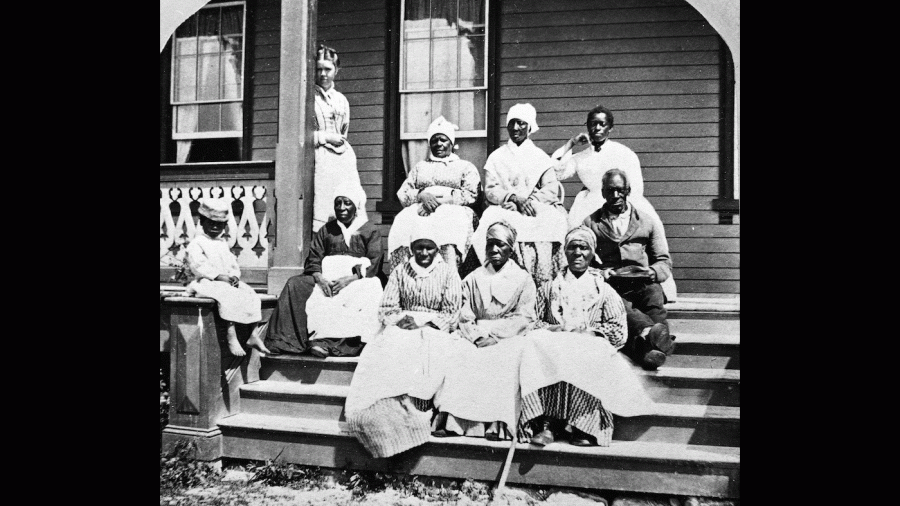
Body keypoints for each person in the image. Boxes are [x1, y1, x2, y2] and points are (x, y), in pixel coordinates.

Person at [518, 226, 654, 447]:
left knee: (587, 350)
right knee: (540, 345)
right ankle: (549, 424)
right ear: (564, 251)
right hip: (555, 348)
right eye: (572, 247)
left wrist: (591, 331)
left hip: (587, 349)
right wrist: (553, 329)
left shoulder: (603, 291)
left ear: (592, 253)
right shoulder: (549, 288)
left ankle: (583, 425)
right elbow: (531, 322)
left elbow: (618, 331)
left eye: (584, 248)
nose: (578, 253)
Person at [345, 220, 468, 458]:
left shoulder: (448, 272)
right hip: (403, 325)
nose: (424, 253)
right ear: (411, 248)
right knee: (388, 344)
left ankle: (418, 410)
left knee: (428, 347)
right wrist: (400, 320)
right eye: (419, 247)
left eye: (429, 248)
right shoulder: (401, 271)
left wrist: (425, 323)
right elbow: (387, 307)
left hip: (434, 329)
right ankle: (389, 414)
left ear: (437, 249)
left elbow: (452, 312)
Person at [431, 220, 538, 440]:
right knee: (459, 355)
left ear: (511, 248)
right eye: (490, 244)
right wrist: (477, 336)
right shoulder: (472, 278)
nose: (495, 250)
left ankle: (495, 425)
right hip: (475, 335)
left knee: (505, 359)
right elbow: (464, 312)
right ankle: (453, 421)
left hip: (507, 336)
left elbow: (525, 315)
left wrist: (495, 335)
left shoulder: (523, 279)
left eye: (501, 244)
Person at [263, 182, 384, 357]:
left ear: (356, 205)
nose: (341, 208)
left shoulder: (369, 230)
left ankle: (329, 344)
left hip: (356, 279)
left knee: (367, 289)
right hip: (326, 278)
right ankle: (285, 340)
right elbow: (314, 257)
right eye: (338, 203)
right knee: (295, 284)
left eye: (347, 203)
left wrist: (348, 280)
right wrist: (320, 278)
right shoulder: (327, 229)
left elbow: (375, 261)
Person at [473, 103, 568, 320]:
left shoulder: (539, 156)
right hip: (505, 207)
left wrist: (530, 201)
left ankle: (544, 285)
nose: (516, 128)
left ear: (530, 127)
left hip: (533, 208)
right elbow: (491, 189)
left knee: (554, 220)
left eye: (521, 123)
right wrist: (512, 198)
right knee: (492, 220)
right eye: (512, 123)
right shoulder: (497, 156)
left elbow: (551, 187)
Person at [583, 169, 675, 370]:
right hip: (611, 284)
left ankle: (651, 344)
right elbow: (583, 262)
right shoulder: (591, 223)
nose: (615, 196)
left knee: (654, 293)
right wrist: (600, 273)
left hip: (642, 282)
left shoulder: (647, 221)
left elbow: (663, 261)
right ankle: (652, 338)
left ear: (628, 191)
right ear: (603, 193)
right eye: (610, 191)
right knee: (615, 302)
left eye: (619, 190)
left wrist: (652, 272)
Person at [387, 116, 482, 274]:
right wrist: (421, 195)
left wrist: (441, 201)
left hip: (453, 209)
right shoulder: (420, 167)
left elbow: (472, 193)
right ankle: (404, 276)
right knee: (403, 220)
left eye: (443, 140)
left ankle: (448, 276)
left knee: (449, 226)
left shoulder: (465, 166)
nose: (438, 144)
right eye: (434, 140)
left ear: (451, 143)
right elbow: (404, 192)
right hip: (421, 208)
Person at [551, 104, 662, 230]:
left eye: (602, 124)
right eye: (593, 124)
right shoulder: (579, 158)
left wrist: (621, 209)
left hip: (619, 204)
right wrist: (571, 143)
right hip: (589, 207)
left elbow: (636, 188)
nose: (597, 128)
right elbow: (555, 173)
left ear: (610, 128)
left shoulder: (624, 153)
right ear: (587, 127)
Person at [185, 198, 267, 357]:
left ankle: (253, 333)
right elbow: (198, 265)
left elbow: (232, 263)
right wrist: (217, 276)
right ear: (202, 222)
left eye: (220, 224)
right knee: (226, 294)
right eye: (211, 223)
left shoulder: (222, 243)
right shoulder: (198, 243)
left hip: (225, 282)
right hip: (206, 282)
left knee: (249, 293)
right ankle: (231, 334)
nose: (215, 227)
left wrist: (234, 276)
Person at [312, 43, 363, 232]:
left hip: (343, 158)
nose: (323, 74)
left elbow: (344, 131)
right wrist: (325, 138)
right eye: (319, 69)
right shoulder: (309, 97)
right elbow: (301, 136)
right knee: (324, 205)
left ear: (336, 70)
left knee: (346, 200)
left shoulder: (342, 99)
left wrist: (339, 142)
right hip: (320, 157)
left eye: (328, 69)